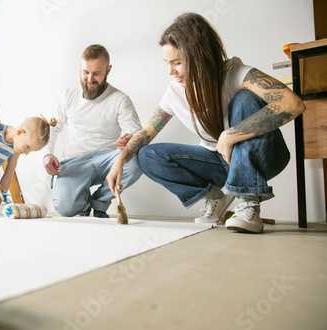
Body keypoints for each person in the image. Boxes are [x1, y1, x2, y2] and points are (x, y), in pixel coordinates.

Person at [107, 13, 305, 233]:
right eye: (167, 63)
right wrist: (120, 162)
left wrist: (230, 135)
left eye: (177, 62)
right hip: (219, 163)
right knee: (147, 155)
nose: (170, 71)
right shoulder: (174, 92)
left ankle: (249, 203)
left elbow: (292, 104)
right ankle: (216, 198)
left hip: (266, 156)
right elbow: (147, 132)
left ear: (198, 56)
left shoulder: (233, 72)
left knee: (245, 98)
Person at [44, 44, 143, 218]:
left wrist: (130, 141)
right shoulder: (68, 95)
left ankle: (100, 201)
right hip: (74, 162)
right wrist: (47, 154)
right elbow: (53, 128)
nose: (90, 78)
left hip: (107, 160)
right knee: (65, 207)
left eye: (96, 73)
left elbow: (137, 134)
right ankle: (82, 203)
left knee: (140, 158)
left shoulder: (120, 99)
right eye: (85, 72)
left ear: (108, 70)